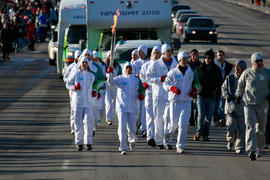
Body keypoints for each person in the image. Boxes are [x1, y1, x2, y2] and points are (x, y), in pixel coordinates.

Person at [235, 53, 270, 161]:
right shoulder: (246, 73)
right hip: (249, 104)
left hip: (263, 104)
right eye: (256, 61)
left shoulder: (267, 73)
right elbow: (240, 85)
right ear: (252, 63)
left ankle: (259, 147)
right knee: (250, 126)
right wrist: (238, 95)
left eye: (260, 61)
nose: (259, 63)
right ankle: (251, 150)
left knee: (261, 128)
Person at [164, 52, 200, 154]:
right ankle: (167, 135)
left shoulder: (192, 72)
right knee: (173, 126)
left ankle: (180, 146)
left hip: (186, 100)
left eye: (185, 58)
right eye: (182, 59)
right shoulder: (172, 72)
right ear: (179, 60)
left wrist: (195, 89)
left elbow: (197, 83)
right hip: (175, 101)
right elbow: (165, 84)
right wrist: (172, 88)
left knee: (183, 124)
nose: (184, 60)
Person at [107, 62, 145, 155]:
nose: (128, 69)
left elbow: (142, 89)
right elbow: (110, 83)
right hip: (122, 107)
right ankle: (123, 147)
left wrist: (141, 95)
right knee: (122, 127)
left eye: (130, 68)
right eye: (127, 68)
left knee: (132, 128)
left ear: (132, 69)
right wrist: (110, 74)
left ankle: (132, 140)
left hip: (133, 107)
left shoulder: (136, 79)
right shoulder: (120, 78)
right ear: (124, 69)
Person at [147, 44, 178, 149]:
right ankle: (159, 141)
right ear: (163, 53)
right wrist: (160, 79)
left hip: (171, 95)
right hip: (159, 95)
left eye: (170, 50)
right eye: (167, 51)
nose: (169, 53)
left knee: (169, 118)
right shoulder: (155, 64)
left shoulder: (175, 63)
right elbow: (148, 77)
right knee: (158, 119)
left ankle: (168, 141)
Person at [66, 57, 96, 152]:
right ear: (80, 63)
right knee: (78, 123)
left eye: (85, 63)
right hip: (78, 102)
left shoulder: (91, 75)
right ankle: (79, 143)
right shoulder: (76, 73)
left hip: (88, 103)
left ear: (88, 64)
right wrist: (74, 87)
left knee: (88, 122)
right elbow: (68, 84)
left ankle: (88, 142)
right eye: (82, 62)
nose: (84, 64)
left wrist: (94, 91)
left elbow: (94, 86)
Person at [194, 49, 223, 141]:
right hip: (201, 95)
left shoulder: (216, 70)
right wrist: (197, 89)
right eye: (205, 57)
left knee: (209, 117)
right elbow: (195, 80)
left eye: (209, 58)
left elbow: (220, 83)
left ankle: (205, 134)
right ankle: (199, 132)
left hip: (211, 96)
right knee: (201, 115)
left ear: (212, 59)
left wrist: (216, 91)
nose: (207, 59)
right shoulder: (199, 68)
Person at [221, 60, 247, 154]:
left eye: (239, 66)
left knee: (242, 128)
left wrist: (242, 98)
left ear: (243, 69)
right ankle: (231, 141)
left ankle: (239, 146)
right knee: (232, 127)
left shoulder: (246, 79)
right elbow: (223, 89)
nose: (237, 68)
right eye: (236, 66)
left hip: (242, 107)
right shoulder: (229, 78)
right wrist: (227, 97)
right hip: (231, 107)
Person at [140, 46, 161, 147]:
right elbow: (142, 76)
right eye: (154, 53)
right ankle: (150, 137)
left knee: (159, 117)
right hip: (149, 93)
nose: (156, 55)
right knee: (150, 115)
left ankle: (158, 137)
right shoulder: (146, 65)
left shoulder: (162, 66)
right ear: (151, 54)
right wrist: (143, 83)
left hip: (160, 95)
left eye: (158, 53)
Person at [64, 50, 82, 134]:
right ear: (75, 57)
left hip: (81, 92)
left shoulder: (84, 66)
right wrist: (74, 86)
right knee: (73, 109)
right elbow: (66, 78)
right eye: (78, 56)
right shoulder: (71, 67)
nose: (79, 58)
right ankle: (73, 128)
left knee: (79, 111)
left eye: (80, 56)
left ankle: (79, 127)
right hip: (72, 91)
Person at [132, 45, 149, 137]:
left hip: (146, 91)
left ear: (145, 52)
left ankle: (144, 129)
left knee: (144, 110)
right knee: (137, 111)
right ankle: (135, 126)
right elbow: (131, 75)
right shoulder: (135, 64)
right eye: (138, 52)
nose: (138, 53)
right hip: (137, 91)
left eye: (140, 52)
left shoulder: (149, 63)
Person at [214, 50, 234, 127]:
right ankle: (216, 120)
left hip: (225, 88)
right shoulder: (214, 65)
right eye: (218, 55)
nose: (220, 57)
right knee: (216, 105)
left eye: (221, 55)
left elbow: (231, 77)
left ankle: (222, 120)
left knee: (222, 104)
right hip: (216, 88)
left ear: (224, 56)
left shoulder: (229, 66)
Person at [105, 51, 122, 125]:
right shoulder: (105, 66)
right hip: (107, 86)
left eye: (112, 56)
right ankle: (109, 119)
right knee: (108, 102)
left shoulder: (118, 66)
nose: (110, 58)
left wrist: (114, 78)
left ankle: (114, 116)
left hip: (115, 85)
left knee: (115, 102)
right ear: (107, 57)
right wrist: (108, 74)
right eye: (109, 56)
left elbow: (120, 75)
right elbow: (102, 75)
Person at [188, 49, 202, 126]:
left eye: (195, 55)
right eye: (192, 55)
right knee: (189, 105)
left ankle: (197, 120)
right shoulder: (187, 64)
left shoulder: (201, 65)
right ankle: (191, 120)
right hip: (189, 86)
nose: (194, 57)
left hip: (198, 86)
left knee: (198, 105)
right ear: (190, 56)